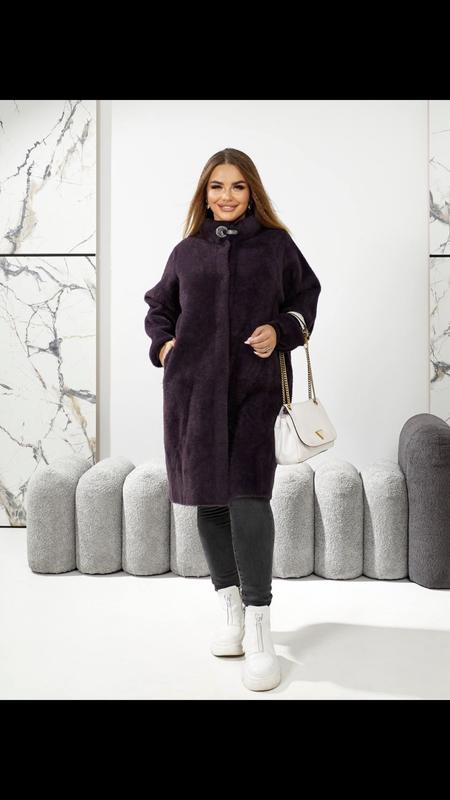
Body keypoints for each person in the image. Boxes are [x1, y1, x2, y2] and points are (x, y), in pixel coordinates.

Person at [144, 148, 321, 692]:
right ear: (204, 194)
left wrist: (281, 330)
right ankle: (230, 608)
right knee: (210, 501)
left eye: (238, 186)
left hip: (255, 391)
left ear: (252, 193)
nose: (227, 196)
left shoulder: (276, 246)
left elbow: (306, 296)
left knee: (249, 498)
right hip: (194, 394)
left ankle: (260, 622)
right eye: (217, 186)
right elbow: (159, 307)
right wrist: (165, 346)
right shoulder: (186, 252)